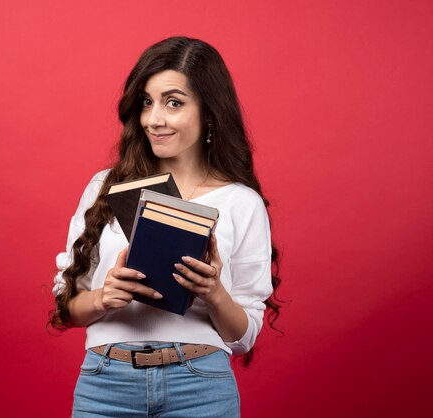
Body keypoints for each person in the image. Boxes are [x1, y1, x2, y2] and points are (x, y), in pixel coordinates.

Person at [50, 36, 281, 418]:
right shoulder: (104, 188)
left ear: (209, 112)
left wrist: (213, 292)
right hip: (106, 384)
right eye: (146, 102)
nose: (154, 119)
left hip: (199, 386)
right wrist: (104, 296)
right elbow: (66, 309)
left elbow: (244, 336)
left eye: (173, 103)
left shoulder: (241, 202)